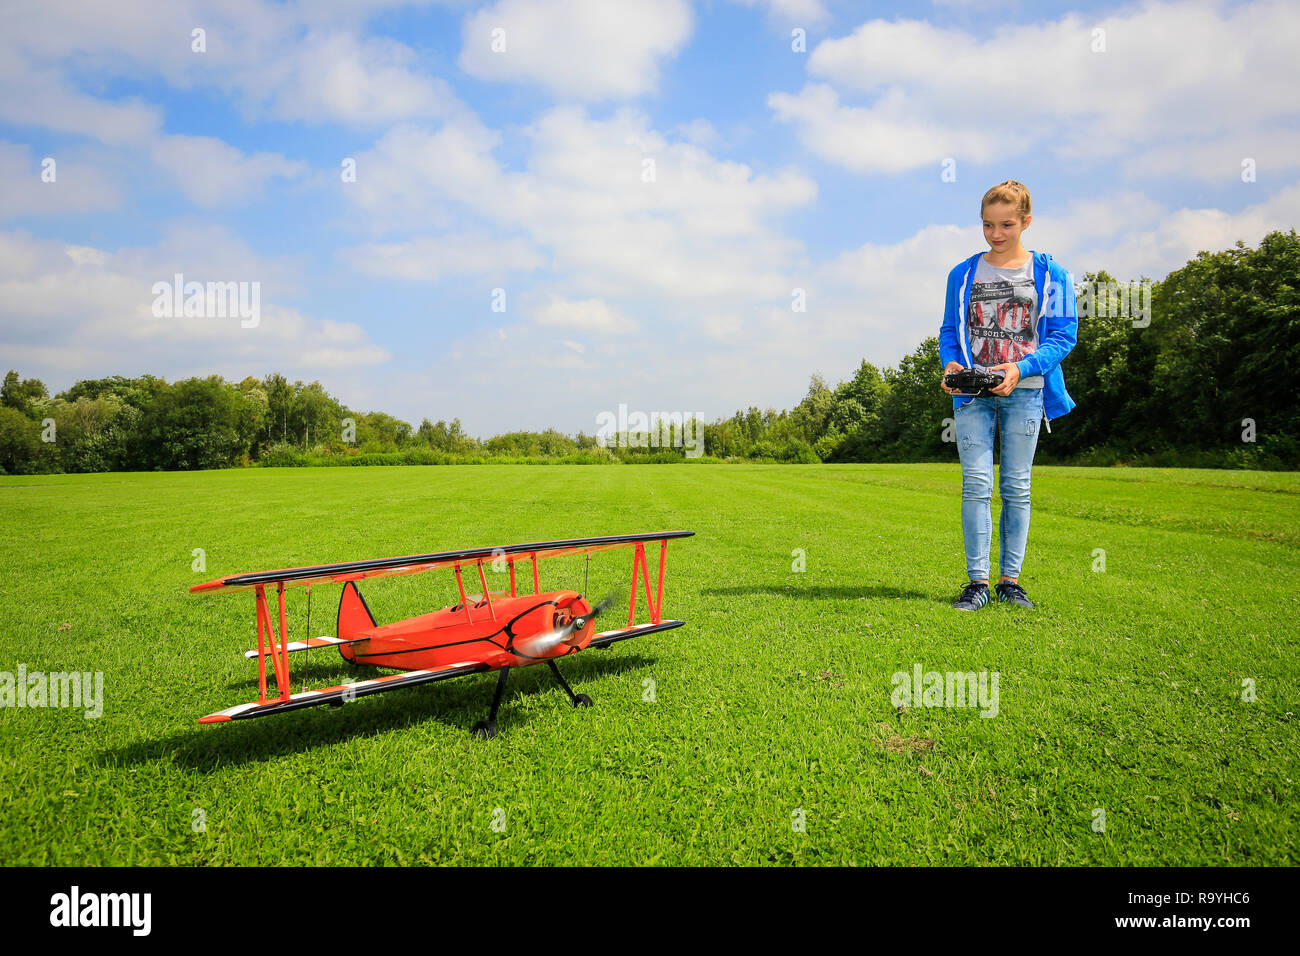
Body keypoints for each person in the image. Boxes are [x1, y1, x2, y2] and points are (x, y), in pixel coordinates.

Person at [938, 180, 1078, 610]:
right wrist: (951, 364)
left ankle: (1010, 581)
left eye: (1006, 224)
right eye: (987, 225)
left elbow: (1063, 336)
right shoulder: (962, 274)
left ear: (1026, 222)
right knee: (976, 485)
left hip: (1027, 391)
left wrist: (1020, 368)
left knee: (1017, 487)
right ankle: (977, 582)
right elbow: (948, 332)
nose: (995, 234)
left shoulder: (1052, 275)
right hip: (974, 395)